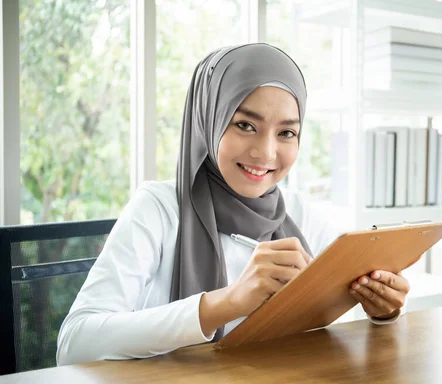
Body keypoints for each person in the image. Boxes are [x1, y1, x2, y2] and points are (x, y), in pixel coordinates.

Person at [56, 43, 412, 366]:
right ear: (209, 120)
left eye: (286, 132)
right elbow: (74, 343)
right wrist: (226, 303)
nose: (266, 152)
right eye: (244, 124)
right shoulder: (159, 208)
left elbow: (342, 308)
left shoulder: (300, 214)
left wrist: (381, 306)